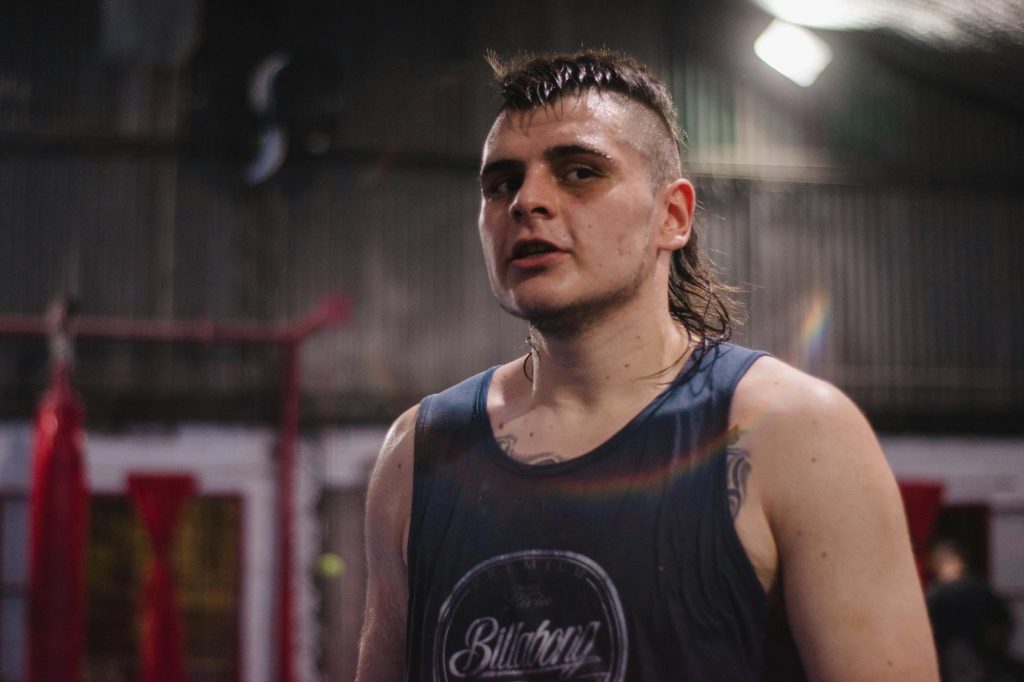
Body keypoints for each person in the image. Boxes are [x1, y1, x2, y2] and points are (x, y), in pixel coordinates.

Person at [357, 49, 938, 681]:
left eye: (579, 172)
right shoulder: (418, 452)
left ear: (673, 216)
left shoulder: (795, 433)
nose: (527, 201)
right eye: (502, 184)